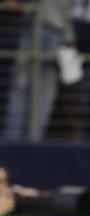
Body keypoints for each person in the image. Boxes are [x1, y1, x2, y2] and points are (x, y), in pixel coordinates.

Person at [3, 0, 76, 140]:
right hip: (46, 28)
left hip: (38, 27)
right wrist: (69, 38)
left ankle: (14, 140)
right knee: (39, 93)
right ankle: (28, 141)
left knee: (23, 90)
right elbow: (64, 10)